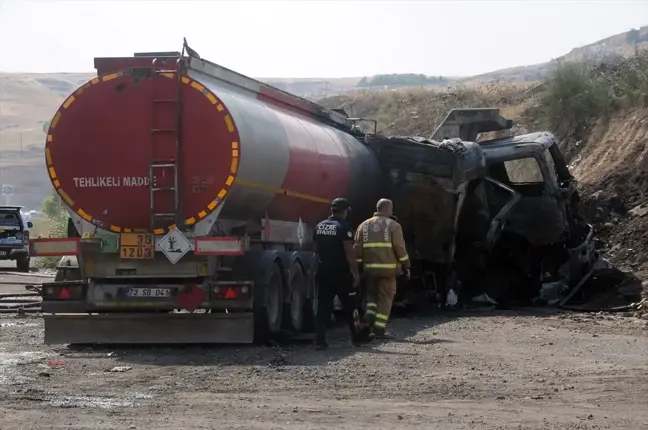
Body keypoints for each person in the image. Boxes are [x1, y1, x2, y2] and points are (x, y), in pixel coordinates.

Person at [312, 198, 364, 350]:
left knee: (323, 307)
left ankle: (319, 341)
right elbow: (349, 251)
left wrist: (314, 270)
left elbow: (315, 250)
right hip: (341, 274)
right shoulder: (344, 227)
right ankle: (356, 338)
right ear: (345, 211)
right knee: (351, 307)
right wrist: (355, 272)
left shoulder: (319, 226)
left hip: (323, 272)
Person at [355, 198, 410, 339]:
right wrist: (406, 265)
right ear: (386, 209)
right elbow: (400, 248)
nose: (392, 212)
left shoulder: (363, 226)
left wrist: (360, 268)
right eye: (391, 209)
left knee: (371, 297)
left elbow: (358, 250)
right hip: (388, 271)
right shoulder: (394, 226)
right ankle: (379, 329)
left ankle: (368, 320)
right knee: (385, 298)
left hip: (369, 271)